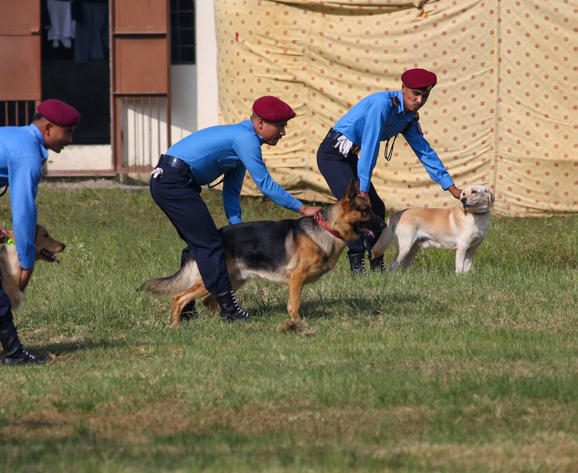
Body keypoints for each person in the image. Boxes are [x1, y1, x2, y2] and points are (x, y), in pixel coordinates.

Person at [150, 95, 322, 322]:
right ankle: (230, 311)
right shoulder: (246, 139)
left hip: (176, 182)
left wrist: (237, 229)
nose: (283, 132)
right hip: (172, 182)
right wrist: (302, 208)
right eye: (280, 126)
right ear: (260, 123)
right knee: (210, 244)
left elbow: (231, 190)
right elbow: (266, 185)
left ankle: (188, 308)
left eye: (284, 126)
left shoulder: (243, 140)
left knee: (199, 242)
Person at [316, 68, 463, 273]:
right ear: (403, 89)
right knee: (355, 207)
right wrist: (363, 188)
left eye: (425, 96)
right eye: (416, 94)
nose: (420, 100)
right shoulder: (382, 105)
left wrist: (451, 187)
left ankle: (377, 263)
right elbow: (370, 144)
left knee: (376, 207)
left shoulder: (408, 117)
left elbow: (425, 152)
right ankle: (357, 266)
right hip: (332, 155)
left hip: (350, 157)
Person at [0, 98, 80, 366]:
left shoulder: (13, 135)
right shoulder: (28, 154)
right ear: (49, 128)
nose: (70, 139)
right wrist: (27, 260)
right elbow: (24, 212)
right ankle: (13, 353)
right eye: (67, 133)